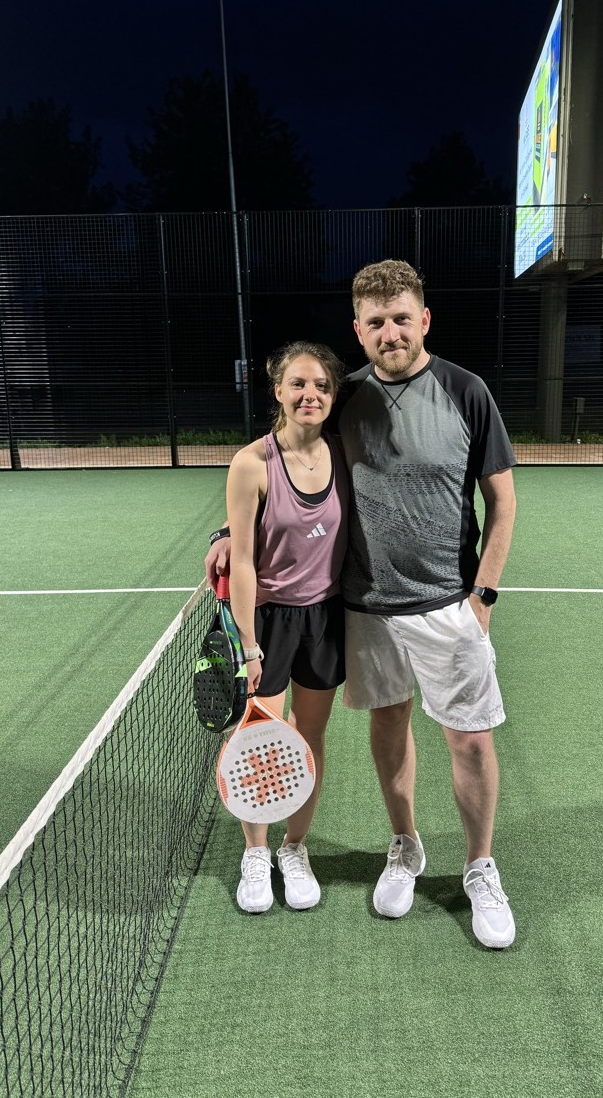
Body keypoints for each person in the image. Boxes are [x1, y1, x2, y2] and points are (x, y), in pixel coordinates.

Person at [208, 261, 517, 948]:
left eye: (401, 318)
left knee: (469, 740)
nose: (390, 332)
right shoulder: (342, 396)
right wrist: (226, 535)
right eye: (375, 322)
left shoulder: (467, 392)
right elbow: (285, 458)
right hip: (366, 608)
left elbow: (502, 500)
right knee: (388, 730)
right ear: (358, 329)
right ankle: (404, 846)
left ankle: (480, 868)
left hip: (447, 605)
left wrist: (483, 596)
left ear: (424, 320)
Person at [219, 341, 349, 915]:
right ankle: (255, 853)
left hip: (326, 617)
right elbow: (243, 559)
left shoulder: (346, 454)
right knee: (257, 741)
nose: (309, 395)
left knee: (310, 737)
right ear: (277, 390)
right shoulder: (252, 463)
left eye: (321, 385)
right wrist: (249, 645)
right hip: (269, 623)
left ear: (332, 394)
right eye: (298, 384)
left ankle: (295, 849)